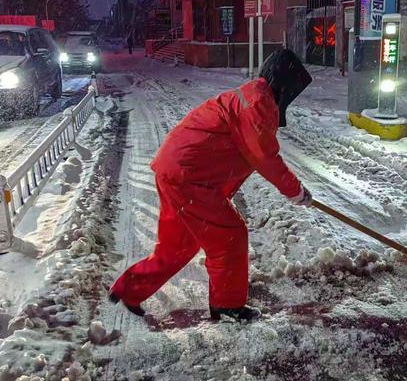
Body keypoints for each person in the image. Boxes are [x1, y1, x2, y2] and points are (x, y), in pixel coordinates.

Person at [109, 49, 313, 322]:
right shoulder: (257, 104)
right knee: (230, 237)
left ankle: (129, 289)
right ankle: (228, 308)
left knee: (178, 245)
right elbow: (263, 154)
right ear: (285, 84)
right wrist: (295, 190)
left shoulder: (252, 96)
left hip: (176, 171)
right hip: (191, 178)